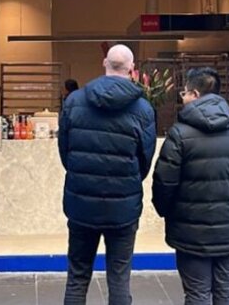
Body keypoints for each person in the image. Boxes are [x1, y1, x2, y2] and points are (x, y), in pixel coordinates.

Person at [152, 67, 229, 304]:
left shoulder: (179, 134)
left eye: (183, 93)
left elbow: (164, 181)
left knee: (197, 292)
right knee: (227, 291)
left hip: (190, 228)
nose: (182, 98)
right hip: (228, 224)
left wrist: (166, 210)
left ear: (194, 94)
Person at [58, 44, 156, 305]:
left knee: (77, 276)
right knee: (119, 277)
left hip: (81, 204)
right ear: (132, 69)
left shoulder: (74, 101)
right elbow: (145, 160)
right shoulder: (143, 109)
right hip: (123, 207)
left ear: (105, 63)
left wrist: (82, 176)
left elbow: (65, 152)